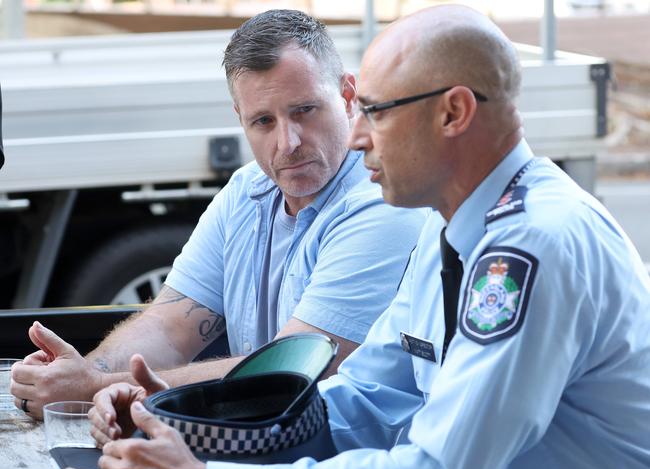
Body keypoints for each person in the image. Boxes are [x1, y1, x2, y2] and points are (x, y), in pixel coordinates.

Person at [64, 5, 650, 469]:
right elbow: (365, 397)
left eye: (375, 111)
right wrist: (183, 417)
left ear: (454, 112)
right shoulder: (451, 229)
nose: (360, 136)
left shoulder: (529, 248)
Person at [10, 9, 425, 420]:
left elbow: (297, 370)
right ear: (240, 121)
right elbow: (172, 325)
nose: (288, 142)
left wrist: (94, 388)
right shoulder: (248, 190)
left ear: (348, 96)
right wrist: (84, 371)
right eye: (263, 121)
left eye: (304, 110)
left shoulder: (380, 199)